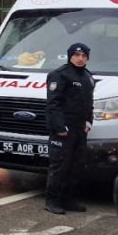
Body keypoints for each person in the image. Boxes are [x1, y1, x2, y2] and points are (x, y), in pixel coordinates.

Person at [44, 43, 95, 215]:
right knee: (60, 165)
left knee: (77, 165)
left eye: (83, 56)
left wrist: (89, 121)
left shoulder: (88, 77)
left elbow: (89, 102)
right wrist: (59, 127)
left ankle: (69, 199)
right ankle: (52, 200)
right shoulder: (60, 75)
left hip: (80, 130)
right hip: (63, 129)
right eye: (76, 55)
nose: (80, 59)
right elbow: (53, 104)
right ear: (70, 56)